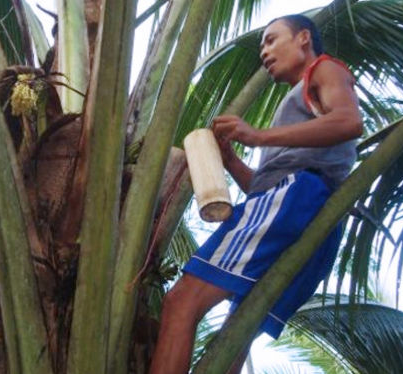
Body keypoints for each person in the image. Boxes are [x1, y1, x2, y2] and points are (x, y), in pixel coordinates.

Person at [149, 14, 363, 374]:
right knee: (236, 334)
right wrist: (231, 160)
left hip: (297, 199)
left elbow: (349, 121)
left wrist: (258, 136)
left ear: (303, 39)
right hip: (302, 211)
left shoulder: (325, 70)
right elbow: (263, 189)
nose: (263, 51)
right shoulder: (299, 114)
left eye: (271, 39)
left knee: (181, 301)